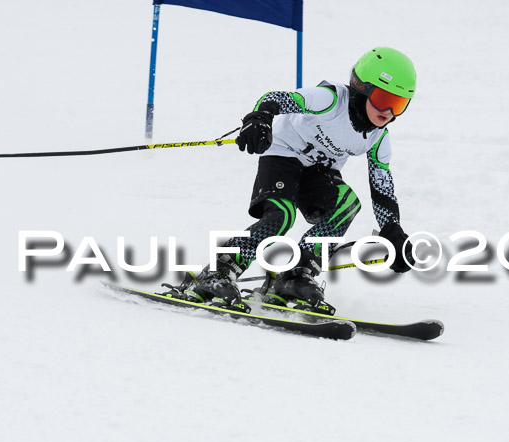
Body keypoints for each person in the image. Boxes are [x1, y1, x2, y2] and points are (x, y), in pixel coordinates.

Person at [164, 47, 416, 312]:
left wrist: (393, 232)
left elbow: (382, 188)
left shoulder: (379, 138)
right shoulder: (329, 100)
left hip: (318, 170)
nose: (388, 111)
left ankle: (296, 275)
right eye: (382, 99)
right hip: (283, 154)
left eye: (398, 104)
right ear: (361, 87)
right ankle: (219, 271)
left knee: (347, 204)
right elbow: (275, 98)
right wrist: (259, 118)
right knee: (281, 216)